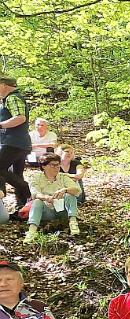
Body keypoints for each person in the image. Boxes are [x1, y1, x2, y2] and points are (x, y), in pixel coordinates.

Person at [24, 153, 82, 243]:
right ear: (44, 166)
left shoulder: (63, 177)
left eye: (58, 165)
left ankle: (73, 223)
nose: (56, 167)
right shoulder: (36, 178)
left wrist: (65, 190)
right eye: (53, 165)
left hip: (63, 209)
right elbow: (35, 193)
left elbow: (77, 190)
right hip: (46, 209)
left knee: (70, 195)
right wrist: (46, 198)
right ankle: (31, 231)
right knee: (37, 202)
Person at [0, 76, 33, 211]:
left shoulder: (12, 98)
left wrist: (1, 125)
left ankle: (26, 190)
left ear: (3, 85)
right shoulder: (10, 99)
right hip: (19, 143)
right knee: (16, 174)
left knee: (1, 169)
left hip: (13, 142)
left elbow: (20, 118)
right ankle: (23, 207)